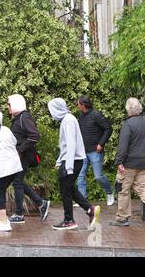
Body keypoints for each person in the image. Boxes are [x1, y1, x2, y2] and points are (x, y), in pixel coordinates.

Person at [109, 98, 145, 228]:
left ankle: (122, 218)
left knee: (123, 189)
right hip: (143, 161)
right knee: (142, 188)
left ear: (128, 109)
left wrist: (119, 162)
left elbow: (123, 146)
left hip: (128, 163)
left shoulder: (128, 124)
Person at [47, 98, 101, 230]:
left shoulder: (68, 120)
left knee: (66, 190)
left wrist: (68, 166)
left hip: (72, 161)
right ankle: (90, 209)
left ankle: (69, 220)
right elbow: (66, 146)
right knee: (68, 188)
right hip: (71, 160)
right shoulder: (67, 120)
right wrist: (60, 161)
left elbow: (71, 144)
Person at [7, 94, 50, 224]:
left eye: (9, 104)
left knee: (17, 182)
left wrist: (20, 150)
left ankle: (19, 214)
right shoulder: (18, 118)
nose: (7, 107)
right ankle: (41, 203)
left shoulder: (24, 117)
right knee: (17, 181)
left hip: (23, 156)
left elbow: (34, 135)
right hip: (20, 156)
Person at [76, 96, 114, 206]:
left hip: (95, 151)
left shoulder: (96, 115)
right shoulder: (81, 117)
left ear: (83, 105)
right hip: (83, 152)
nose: (77, 106)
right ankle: (82, 200)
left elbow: (108, 128)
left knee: (98, 176)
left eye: (78, 104)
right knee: (80, 176)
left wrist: (101, 143)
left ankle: (109, 192)